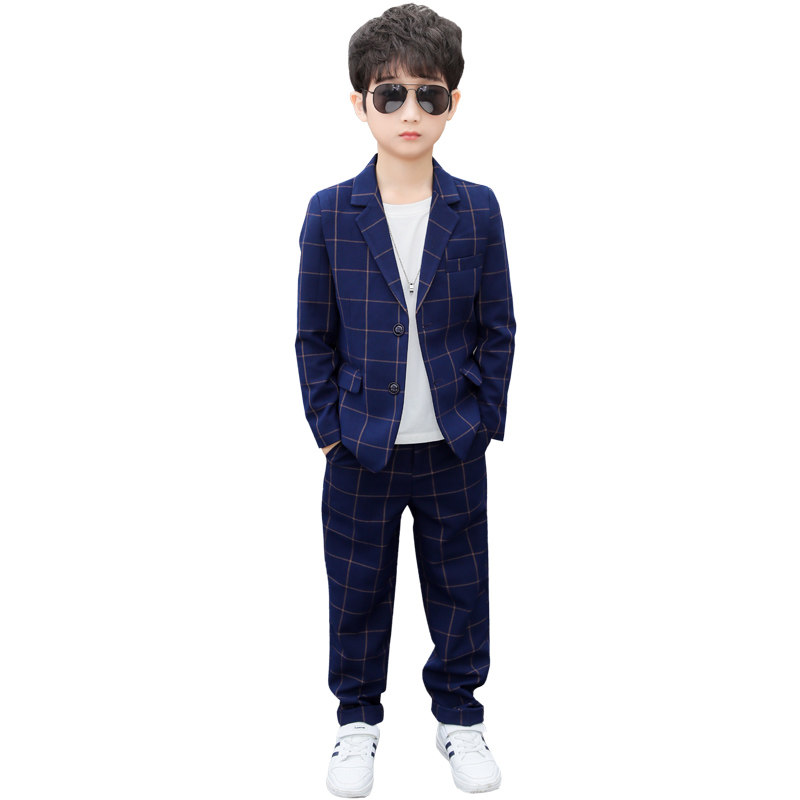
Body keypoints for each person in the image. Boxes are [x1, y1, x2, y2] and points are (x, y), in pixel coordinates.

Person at [295, 4, 515, 795]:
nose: (411, 111)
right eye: (391, 95)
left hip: (453, 442)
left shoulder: (477, 208)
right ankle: (356, 723)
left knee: (461, 587)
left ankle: (460, 717)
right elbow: (312, 335)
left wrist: (482, 419)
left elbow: (498, 326)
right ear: (360, 104)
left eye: (430, 94)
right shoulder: (331, 211)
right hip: (360, 447)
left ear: (454, 102)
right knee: (358, 591)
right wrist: (330, 431)